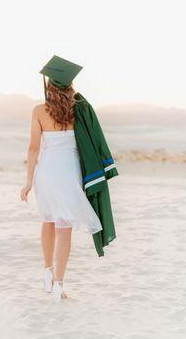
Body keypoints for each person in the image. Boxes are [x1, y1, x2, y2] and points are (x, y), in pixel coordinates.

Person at [20, 55, 118, 303]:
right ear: (69, 85)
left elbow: (33, 149)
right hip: (69, 173)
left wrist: (29, 182)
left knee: (47, 220)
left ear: (49, 85)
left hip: (46, 172)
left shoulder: (38, 111)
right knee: (64, 228)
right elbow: (92, 141)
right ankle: (59, 285)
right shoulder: (80, 110)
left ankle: (47, 270)